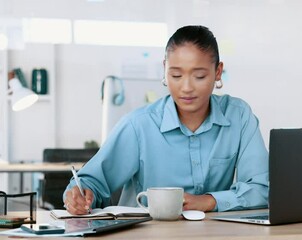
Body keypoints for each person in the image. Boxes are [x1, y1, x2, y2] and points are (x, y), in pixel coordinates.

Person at [63, 25, 269, 215]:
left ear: (217, 72)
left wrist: (207, 201)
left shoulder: (238, 116)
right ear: (165, 69)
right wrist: (80, 195)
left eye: (199, 76)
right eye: (176, 75)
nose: (186, 87)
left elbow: (261, 189)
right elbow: (91, 182)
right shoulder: (139, 125)